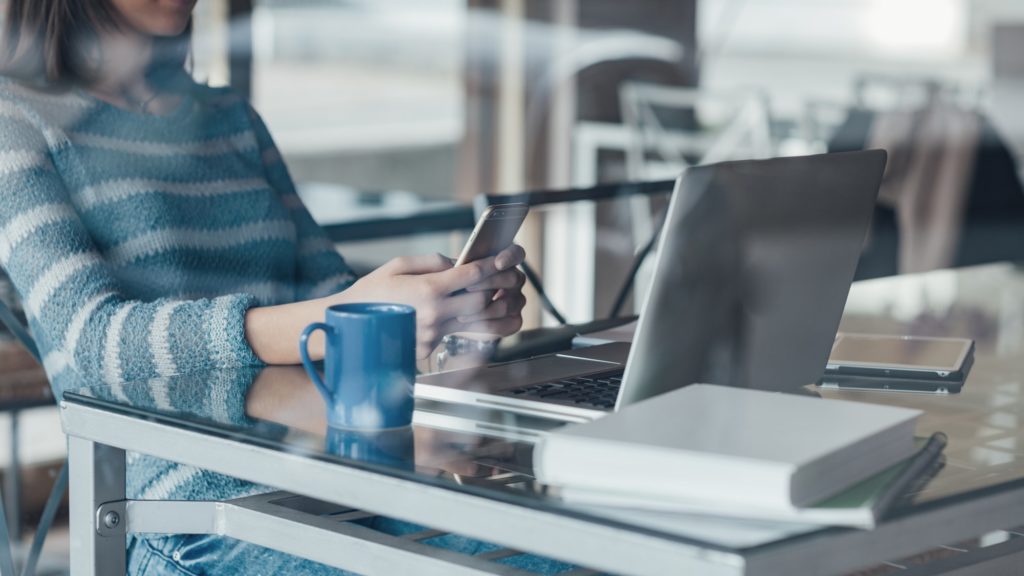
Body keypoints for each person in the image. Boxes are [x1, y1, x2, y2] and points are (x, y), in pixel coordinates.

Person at [0, 1, 563, 574]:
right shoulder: (16, 120)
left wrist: (447, 322)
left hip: (347, 479)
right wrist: (343, 317)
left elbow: (330, 293)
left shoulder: (229, 117)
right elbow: (97, 341)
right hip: (189, 515)